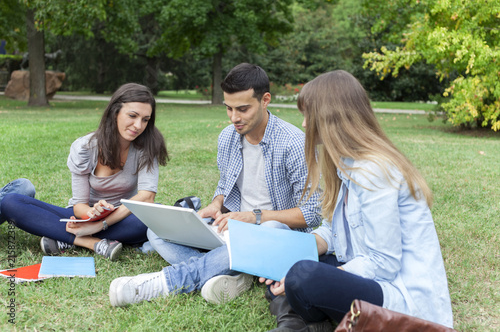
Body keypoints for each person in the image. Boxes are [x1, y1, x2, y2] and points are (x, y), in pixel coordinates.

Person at [108, 63, 323, 311]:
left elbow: (312, 214)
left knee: (270, 228)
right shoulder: (227, 137)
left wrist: (254, 217)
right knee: (156, 233)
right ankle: (237, 271)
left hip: (274, 232)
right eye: (229, 108)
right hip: (234, 230)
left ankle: (167, 282)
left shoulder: (295, 143)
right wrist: (216, 204)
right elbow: (225, 184)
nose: (234, 118)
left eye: (243, 109)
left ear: (265, 100)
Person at [260, 70, 454, 330]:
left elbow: (384, 263)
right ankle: (305, 322)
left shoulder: (374, 170)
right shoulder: (345, 164)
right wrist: (294, 250)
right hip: (364, 269)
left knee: (302, 276)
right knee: (284, 252)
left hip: (397, 295)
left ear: (330, 116)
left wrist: (322, 274)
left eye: (308, 115)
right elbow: (334, 232)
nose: (304, 124)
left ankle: (296, 315)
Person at [1, 83, 168, 261]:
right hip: (82, 218)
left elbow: (146, 198)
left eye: (145, 119)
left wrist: (100, 225)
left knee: (152, 217)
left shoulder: (148, 147)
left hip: (123, 217)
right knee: (11, 201)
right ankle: (90, 243)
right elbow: (79, 206)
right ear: (115, 112)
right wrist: (91, 215)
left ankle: (66, 239)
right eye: (132, 116)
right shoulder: (85, 147)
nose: (138, 125)